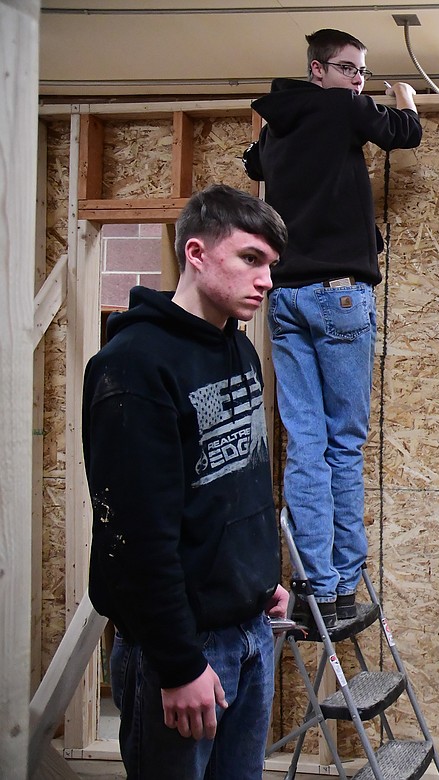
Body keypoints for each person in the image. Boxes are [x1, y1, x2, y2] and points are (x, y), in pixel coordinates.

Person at [84, 184, 290, 778]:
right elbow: (135, 535)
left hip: (249, 630)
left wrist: (258, 583)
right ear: (196, 254)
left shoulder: (239, 350)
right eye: (250, 259)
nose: (267, 281)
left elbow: (241, 485)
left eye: (271, 265)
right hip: (182, 650)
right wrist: (177, 663)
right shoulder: (134, 366)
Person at [243, 28, 423, 629]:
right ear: (317, 71)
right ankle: (342, 585)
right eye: (348, 69)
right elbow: (405, 134)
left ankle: (313, 584)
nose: (357, 81)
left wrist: (265, 138)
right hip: (340, 297)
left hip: (286, 298)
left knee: (305, 444)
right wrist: (403, 97)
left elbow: (254, 162)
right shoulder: (346, 109)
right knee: (343, 445)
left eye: (363, 73)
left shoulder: (278, 125)